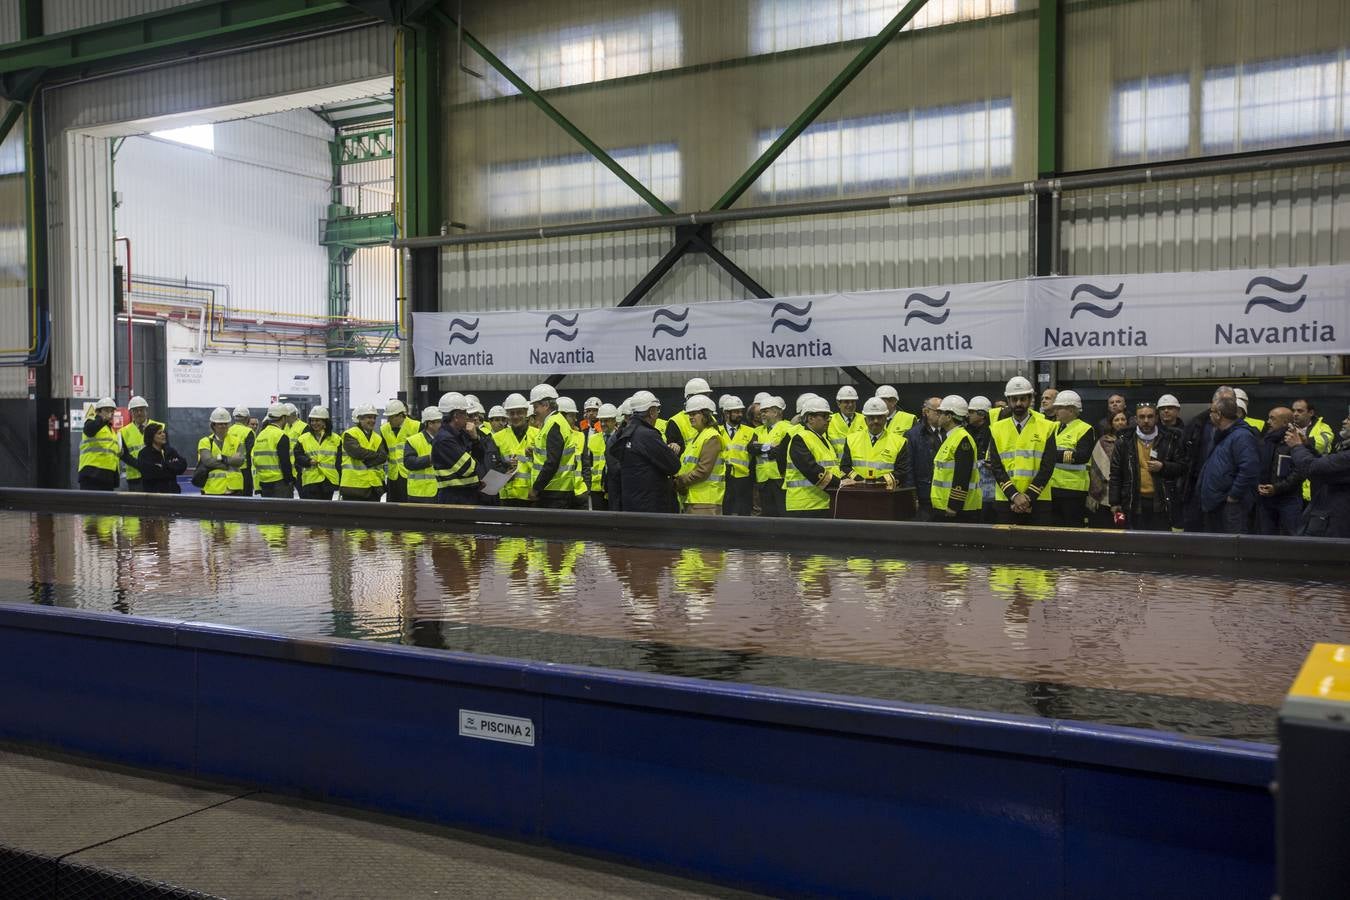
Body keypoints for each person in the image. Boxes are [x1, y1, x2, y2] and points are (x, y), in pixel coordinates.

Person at [988, 376, 1056, 525]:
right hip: (1006, 500)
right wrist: (1014, 496)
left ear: (1030, 399)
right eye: (1014, 399)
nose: (1018, 403)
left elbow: (1047, 466)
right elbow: (996, 467)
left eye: (1022, 399)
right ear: (1008, 401)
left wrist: (1027, 497)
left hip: (1038, 501)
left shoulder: (1047, 427)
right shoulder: (996, 429)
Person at [1109, 403, 1186, 531]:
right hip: (1133, 501)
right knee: (1135, 543)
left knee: (1160, 543)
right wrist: (1114, 502)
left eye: (1150, 417)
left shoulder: (1171, 438)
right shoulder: (1124, 441)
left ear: (1156, 418)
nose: (1146, 421)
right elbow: (1116, 474)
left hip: (1162, 502)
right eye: (1142, 417)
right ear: (1135, 419)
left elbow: (1183, 467)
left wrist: (1163, 466)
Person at [1197, 387, 1260, 534]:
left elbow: (1249, 469)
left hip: (1231, 508)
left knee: (1231, 550)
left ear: (1218, 414)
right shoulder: (1224, 435)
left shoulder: (1241, 436)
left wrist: (1234, 496)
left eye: (1211, 412)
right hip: (1217, 505)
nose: (1209, 415)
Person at [613, 391, 680, 514]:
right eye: (656, 410)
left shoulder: (625, 432)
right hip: (651, 506)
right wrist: (671, 452)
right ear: (651, 412)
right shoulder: (647, 435)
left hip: (631, 504)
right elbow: (674, 466)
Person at [1286, 414, 1350, 537]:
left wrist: (1296, 446)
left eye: (1349, 419)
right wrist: (1306, 446)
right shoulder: (1344, 449)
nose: (1344, 421)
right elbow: (1325, 468)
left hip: (1337, 524)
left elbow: (1312, 468)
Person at [839, 396, 911, 496]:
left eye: (879, 417)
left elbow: (902, 472)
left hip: (886, 495)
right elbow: (844, 467)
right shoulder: (851, 439)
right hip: (857, 493)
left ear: (886, 418)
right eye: (871, 418)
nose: (876, 421)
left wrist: (876, 483)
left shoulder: (899, 442)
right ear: (865, 420)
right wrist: (861, 481)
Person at [784, 395, 841, 518]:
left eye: (829, 417)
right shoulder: (800, 438)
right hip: (805, 505)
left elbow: (833, 468)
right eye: (824, 416)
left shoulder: (823, 439)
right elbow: (811, 469)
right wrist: (840, 484)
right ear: (810, 418)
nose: (828, 420)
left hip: (822, 503)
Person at [930, 395, 982, 523]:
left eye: (941, 413)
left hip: (959, 510)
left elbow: (962, 475)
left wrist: (954, 505)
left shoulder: (962, 439)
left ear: (949, 417)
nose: (938, 416)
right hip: (945, 506)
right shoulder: (952, 438)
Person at [1254, 407, 1304, 536]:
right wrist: (1258, 484)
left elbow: (1299, 472)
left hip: (1289, 499)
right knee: (1266, 539)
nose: (1268, 422)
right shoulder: (1265, 440)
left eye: (1272, 418)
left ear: (1285, 423)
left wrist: (1277, 488)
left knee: (1292, 540)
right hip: (1265, 500)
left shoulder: (1295, 441)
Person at [1048, 390, 1094, 528]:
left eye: (1059, 408)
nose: (1055, 411)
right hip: (1051, 487)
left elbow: (1081, 456)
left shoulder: (1084, 429)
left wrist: (1052, 455)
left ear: (1071, 410)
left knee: (1072, 529)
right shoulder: (1053, 427)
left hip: (1073, 489)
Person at [674, 395, 725, 515]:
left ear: (706, 414)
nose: (690, 417)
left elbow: (702, 471)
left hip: (706, 502)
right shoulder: (696, 438)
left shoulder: (711, 437)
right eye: (689, 414)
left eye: (694, 414)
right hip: (693, 499)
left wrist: (679, 481)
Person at [528, 383, 576, 509]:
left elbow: (552, 462)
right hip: (556, 489)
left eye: (535, 406)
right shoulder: (555, 422)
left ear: (546, 405)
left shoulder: (554, 425)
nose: (533, 411)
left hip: (554, 492)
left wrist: (536, 488)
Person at [433, 392, 484, 504]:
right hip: (454, 498)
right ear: (456, 416)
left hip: (467, 494)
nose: (467, 417)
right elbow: (468, 468)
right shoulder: (444, 440)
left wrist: (475, 438)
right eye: (465, 413)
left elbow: (481, 456)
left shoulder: (459, 435)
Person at [493, 393, 536, 507]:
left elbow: (546, 464)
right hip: (506, 497)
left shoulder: (538, 435)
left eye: (519, 412)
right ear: (507, 415)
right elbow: (491, 466)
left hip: (531, 496)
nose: (515, 416)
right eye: (512, 413)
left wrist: (535, 455)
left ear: (526, 413)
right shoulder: (497, 437)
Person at [1291, 398, 1336, 506]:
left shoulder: (1323, 427)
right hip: (1292, 484)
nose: (1295, 414)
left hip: (1316, 481)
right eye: (1293, 410)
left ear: (1310, 413)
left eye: (1300, 411)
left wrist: (1302, 441)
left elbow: (1322, 444)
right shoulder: (1287, 427)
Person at [1088, 411, 1128, 528]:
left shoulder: (1132, 440)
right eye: (1116, 420)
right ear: (1111, 423)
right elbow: (1095, 467)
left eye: (1123, 419)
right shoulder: (1103, 442)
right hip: (1105, 494)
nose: (1120, 422)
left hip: (1126, 494)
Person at [906, 396, 944, 521]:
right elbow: (909, 467)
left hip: (944, 495)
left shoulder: (950, 433)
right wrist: (913, 496)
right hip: (924, 495)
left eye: (943, 412)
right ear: (926, 412)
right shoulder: (913, 435)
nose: (941, 415)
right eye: (938, 411)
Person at [339, 404, 387, 501]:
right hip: (353, 486)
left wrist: (366, 461)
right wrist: (375, 456)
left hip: (374, 486)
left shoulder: (377, 438)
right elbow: (357, 453)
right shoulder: (350, 434)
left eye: (374, 418)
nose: (372, 421)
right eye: (369, 417)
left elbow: (383, 457)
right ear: (360, 419)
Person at [1155, 394, 1188, 530]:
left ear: (1177, 410)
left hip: (1177, 486)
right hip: (1156, 486)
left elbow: (1186, 464)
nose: (1166, 411)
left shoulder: (1185, 434)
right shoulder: (1152, 432)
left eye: (1170, 408)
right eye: (1162, 408)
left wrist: (1164, 466)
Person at [754, 395, 790, 518]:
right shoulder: (758, 430)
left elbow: (780, 452)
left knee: (783, 514)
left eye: (765, 411)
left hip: (780, 478)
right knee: (767, 516)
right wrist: (769, 447)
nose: (762, 414)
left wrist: (761, 447)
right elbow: (751, 448)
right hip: (764, 480)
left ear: (775, 412)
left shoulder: (787, 428)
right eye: (761, 412)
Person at [293, 406, 340, 500]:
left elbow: (339, 461)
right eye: (312, 420)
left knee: (326, 511)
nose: (314, 423)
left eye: (317, 420)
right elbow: (298, 456)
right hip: (310, 481)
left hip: (328, 480)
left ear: (325, 422)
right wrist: (308, 461)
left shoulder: (336, 439)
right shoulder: (303, 438)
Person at [196, 407, 244, 496]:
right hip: (212, 489)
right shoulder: (205, 442)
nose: (224, 426)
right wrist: (229, 462)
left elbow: (239, 461)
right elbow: (208, 462)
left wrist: (220, 458)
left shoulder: (237, 441)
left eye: (226, 423)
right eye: (220, 424)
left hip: (234, 489)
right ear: (213, 425)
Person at [401, 406, 445, 504]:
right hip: (420, 494)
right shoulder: (413, 440)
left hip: (441, 491)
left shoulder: (444, 439)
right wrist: (430, 459)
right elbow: (409, 463)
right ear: (429, 423)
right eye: (438, 422)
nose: (441, 425)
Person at [720, 395, 753, 516]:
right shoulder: (717, 431)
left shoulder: (750, 431)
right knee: (725, 511)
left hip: (743, 480)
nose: (740, 414)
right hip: (723, 478)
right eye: (736, 412)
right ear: (726, 413)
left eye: (741, 411)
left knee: (744, 512)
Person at [379, 399, 419, 503]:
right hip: (393, 476)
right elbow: (384, 451)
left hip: (410, 475)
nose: (388, 420)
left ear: (401, 415)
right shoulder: (384, 429)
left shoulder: (416, 426)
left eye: (391, 417)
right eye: (388, 417)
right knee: (393, 507)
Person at [253, 404, 295, 498]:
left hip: (264, 481)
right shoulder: (280, 435)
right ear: (283, 417)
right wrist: (290, 480)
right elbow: (285, 461)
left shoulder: (261, 434)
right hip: (279, 483)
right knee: (283, 511)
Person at [78, 398, 120, 491]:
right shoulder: (91, 422)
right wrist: (102, 419)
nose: (111, 413)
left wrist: (115, 478)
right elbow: (89, 430)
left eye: (112, 411)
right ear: (98, 412)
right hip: (92, 474)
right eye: (106, 410)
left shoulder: (112, 431)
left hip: (107, 476)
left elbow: (112, 455)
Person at [118, 396, 158, 491]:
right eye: (135, 410)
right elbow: (124, 455)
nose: (139, 413)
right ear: (131, 412)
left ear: (146, 411)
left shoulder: (158, 427)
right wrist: (140, 465)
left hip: (155, 476)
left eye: (141, 410)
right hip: (134, 478)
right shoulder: (123, 432)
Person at [967, 395, 997, 520]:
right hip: (975, 489)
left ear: (982, 414)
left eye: (971, 412)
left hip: (991, 490)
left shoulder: (993, 432)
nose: (968, 415)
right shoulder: (968, 431)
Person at [134, 422, 186, 494]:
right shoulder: (144, 454)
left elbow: (183, 465)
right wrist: (172, 466)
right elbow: (150, 473)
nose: (163, 435)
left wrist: (163, 466)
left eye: (163, 432)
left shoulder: (170, 451)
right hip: (155, 496)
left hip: (173, 494)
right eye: (159, 433)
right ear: (151, 436)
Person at [558, 397, 590, 509]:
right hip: (559, 494)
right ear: (562, 416)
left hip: (579, 494)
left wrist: (586, 489)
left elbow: (586, 465)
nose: (575, 419)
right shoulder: (551, 437)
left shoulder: (580, 436)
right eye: (572, 416)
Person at [585, 403, 618, 510]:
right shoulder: (592, 439)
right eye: (601, 420)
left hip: (615, 486)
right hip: (596, 488)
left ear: (614, 421)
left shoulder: (621, 438)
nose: (603, 424)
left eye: (606, 420)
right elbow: (587, 463)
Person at [666, 377, 712, 452]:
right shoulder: (675, 422)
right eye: (701, 396)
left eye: (706, 395)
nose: (705, 399)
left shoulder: (710, 417)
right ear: (689, 397)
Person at [828, 385, 865, 456]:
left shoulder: (865, 420)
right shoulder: (829, 421)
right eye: (846, 402)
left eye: (853, 402)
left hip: (859, 465)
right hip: (837, 465)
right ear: (838, 403)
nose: (850, 405)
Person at [229, 406, 256, 496]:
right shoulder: (248, 432)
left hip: (229, 469)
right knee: (246, 497)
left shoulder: (228, 431)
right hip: (244, 470)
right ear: (247, 418)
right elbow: (250, 453)